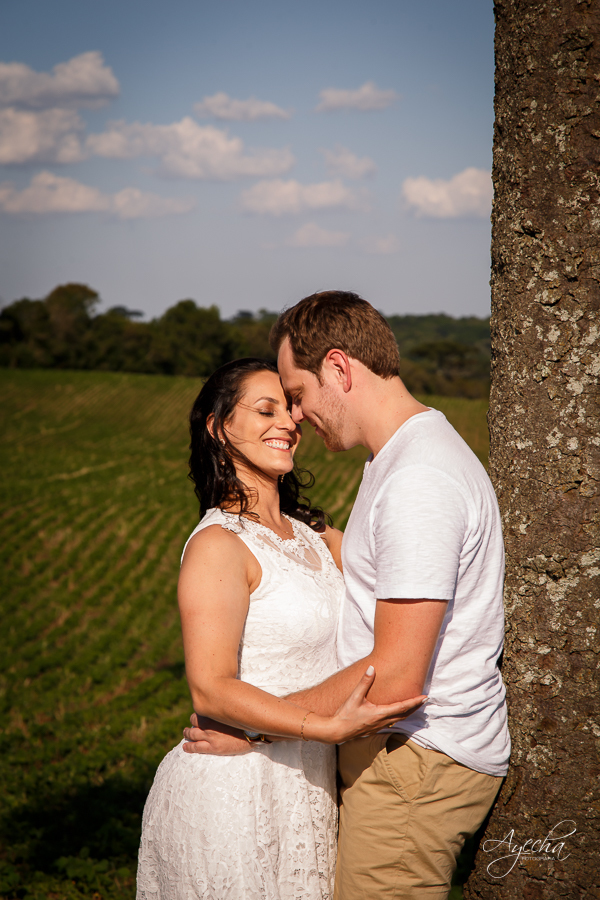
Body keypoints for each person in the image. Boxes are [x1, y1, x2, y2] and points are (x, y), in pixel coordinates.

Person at [184, 294, 511, 900]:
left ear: (339, 368)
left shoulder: (417, 479)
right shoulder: (402, 463)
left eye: (297, 395)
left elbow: (393, 676)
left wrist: (259, 732)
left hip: (414, 759)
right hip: (388, 755)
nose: (297, 417)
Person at [136, 357, 424, 900]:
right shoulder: (217, 544)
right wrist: (326, 727)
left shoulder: (317, 536)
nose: (289, 423)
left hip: (307, 788)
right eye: (265, 410)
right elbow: (210, 688)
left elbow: (402, 583)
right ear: (219, 428)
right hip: (233, 789)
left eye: (290, 409)